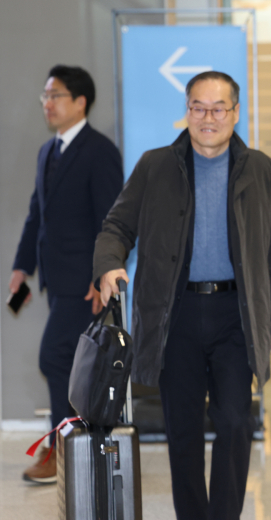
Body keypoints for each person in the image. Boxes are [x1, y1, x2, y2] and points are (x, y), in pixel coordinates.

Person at [93, 71, 271, 520]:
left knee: (235, 422)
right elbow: (117, 226)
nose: (208, 117)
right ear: (186, 111)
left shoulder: (259, 168)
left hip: (236, 314)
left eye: (218, 108)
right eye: (198, 108)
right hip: (174, 315)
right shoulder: (155, 165)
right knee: (181, 430)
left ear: (235, 113)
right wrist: (108, 263)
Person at [9, 65, 122, 484]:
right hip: (55, 280)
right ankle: (81, 447)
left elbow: (111, 221)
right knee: (73, 365)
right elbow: (36, 215)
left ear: (80, 101)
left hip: (84, 285)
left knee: (55, 357)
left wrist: (100, 275)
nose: (47, 104)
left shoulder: (99, 151)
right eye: (45, 96)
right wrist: (22, 266)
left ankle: (63, 448)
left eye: (55, 95)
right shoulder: (47, 151)